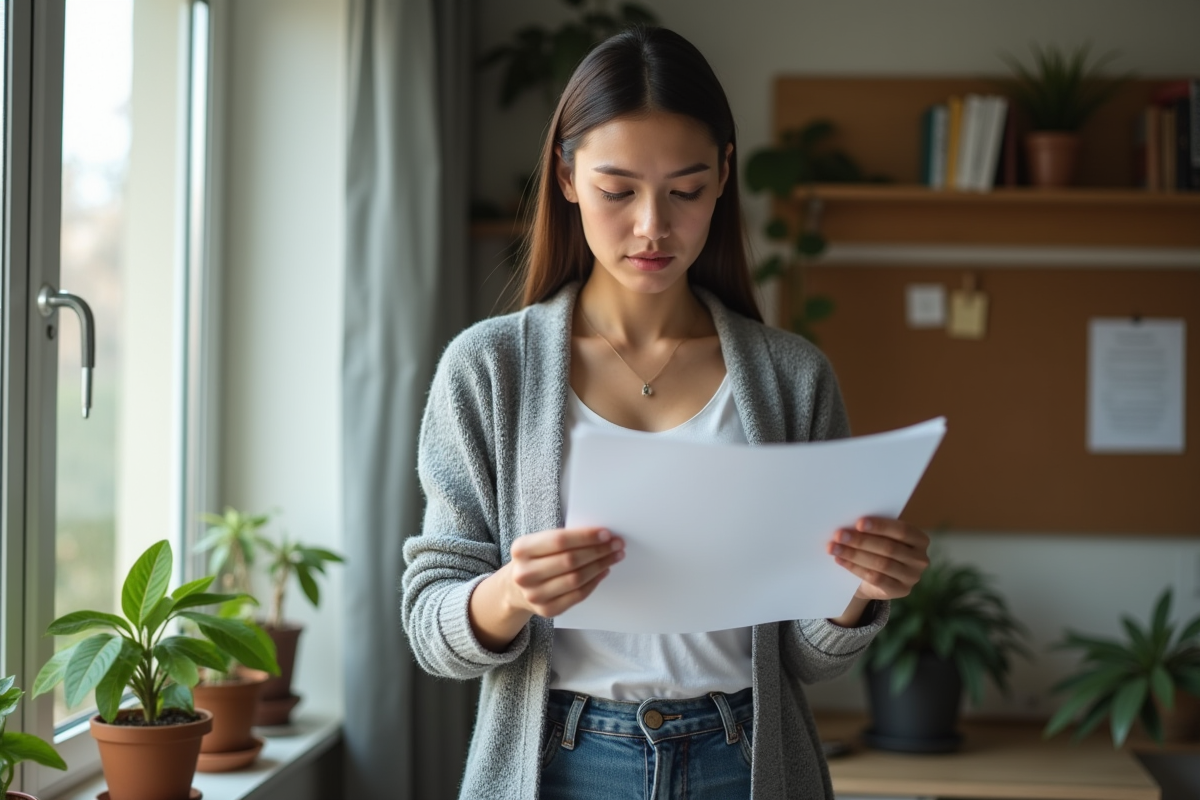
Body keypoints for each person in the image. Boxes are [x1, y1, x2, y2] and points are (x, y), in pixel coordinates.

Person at [402, 26, 931, 800]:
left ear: (722, 177)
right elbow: (430, 629)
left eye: (685, 191)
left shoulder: (791, 377)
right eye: (618, 190)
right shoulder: (490, 369)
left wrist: (857, 591)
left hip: (744, 763)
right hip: (561, 765)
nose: (653, 225)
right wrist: (511, 593)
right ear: (568, 176)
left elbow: (809, 660)